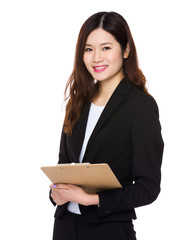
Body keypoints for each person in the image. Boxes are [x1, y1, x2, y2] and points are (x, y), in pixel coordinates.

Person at [49, 11, 164, 240]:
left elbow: (148, 187)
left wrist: (92, 199)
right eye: (88, 49)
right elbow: (64, 165)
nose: (96, 58)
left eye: (106, 48)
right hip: (64, 228)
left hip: (107, 230)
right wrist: (55, 194)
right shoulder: (78, 100)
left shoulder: (140, 105)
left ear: (126, 50)